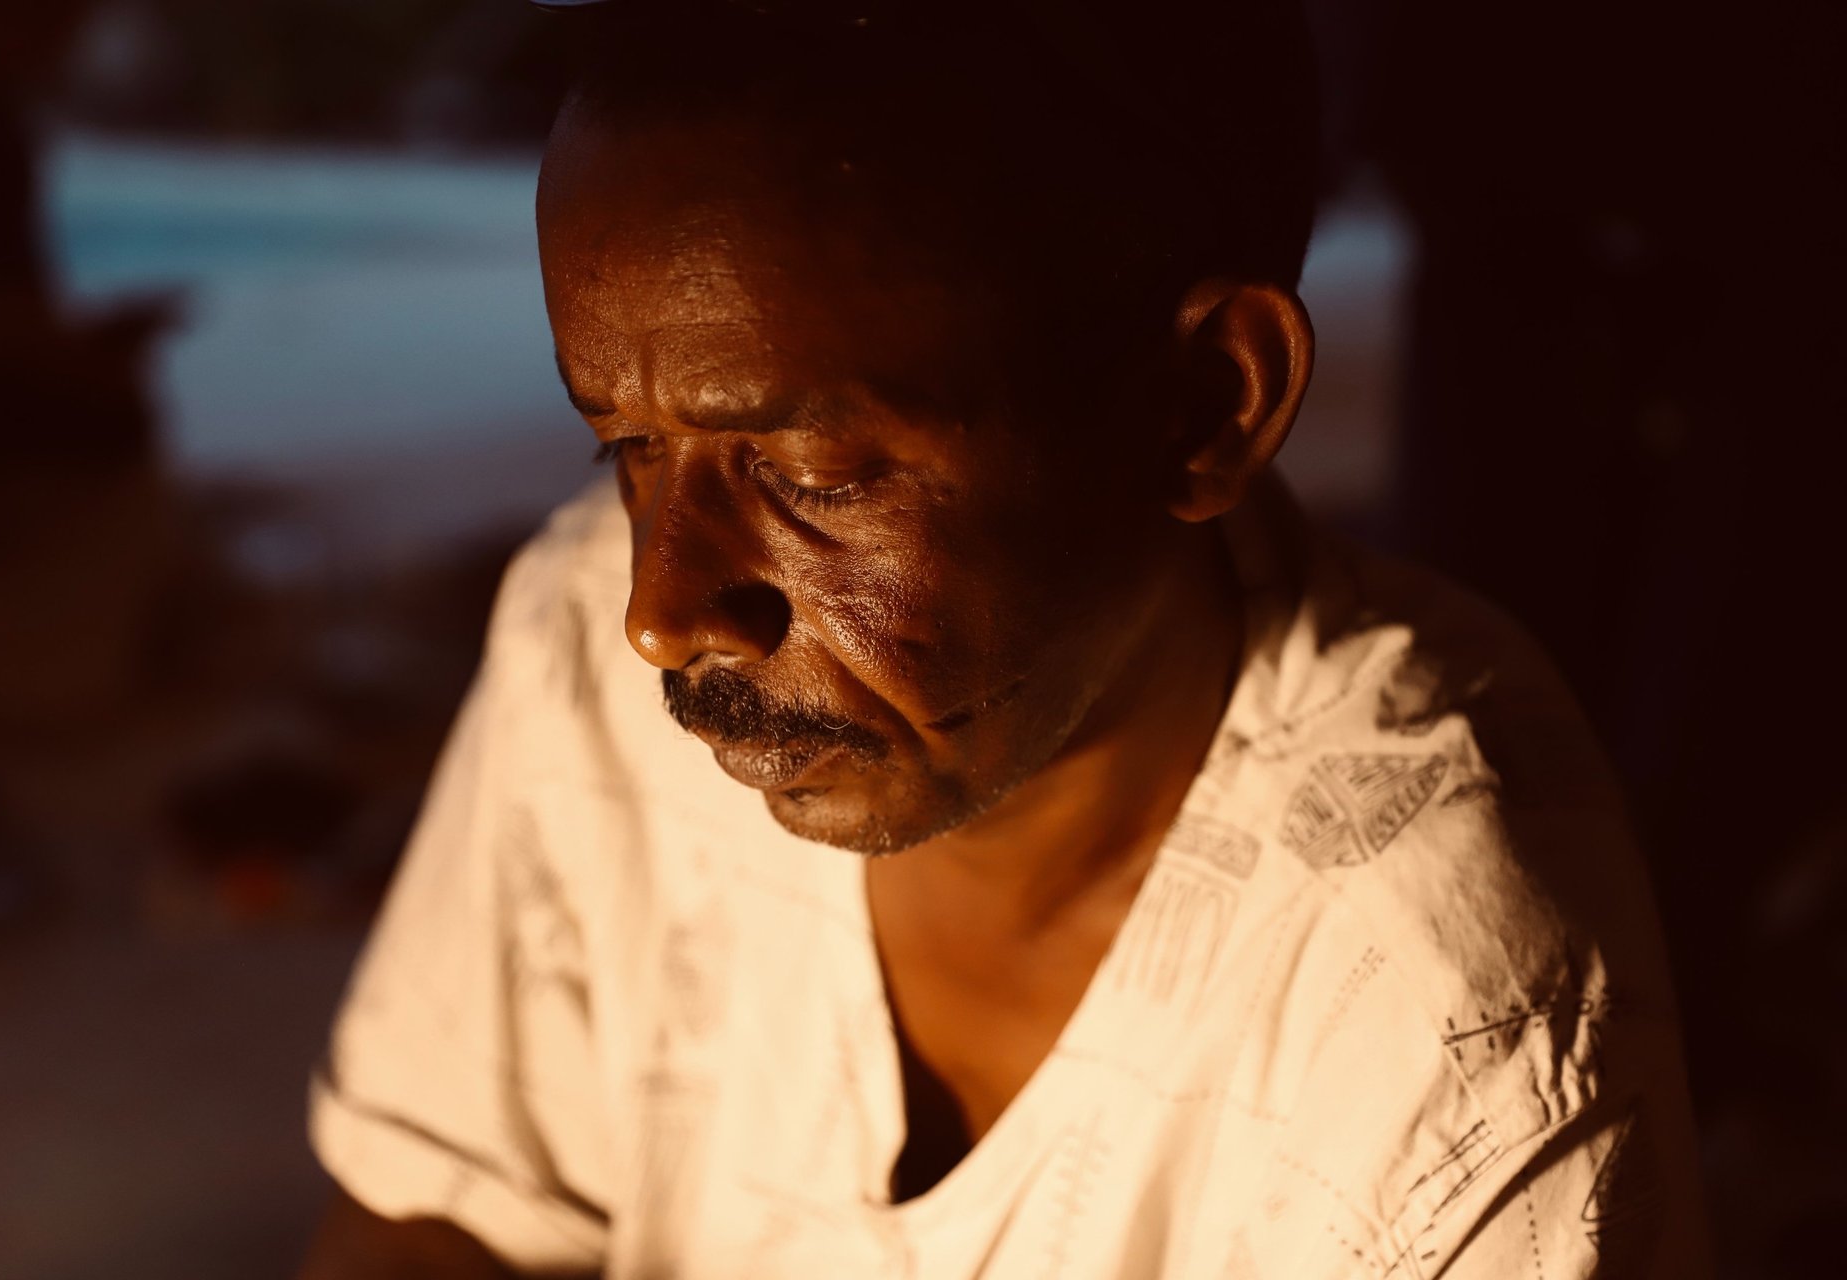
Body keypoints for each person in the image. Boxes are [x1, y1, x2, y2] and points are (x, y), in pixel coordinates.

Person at [299, 1, 1710, 1275]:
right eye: (628, 444)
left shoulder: (1448, 1041)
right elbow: (441, 1209)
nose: (660, 616)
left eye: (818, 473)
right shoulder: (578, 646)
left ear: (1208, 405)